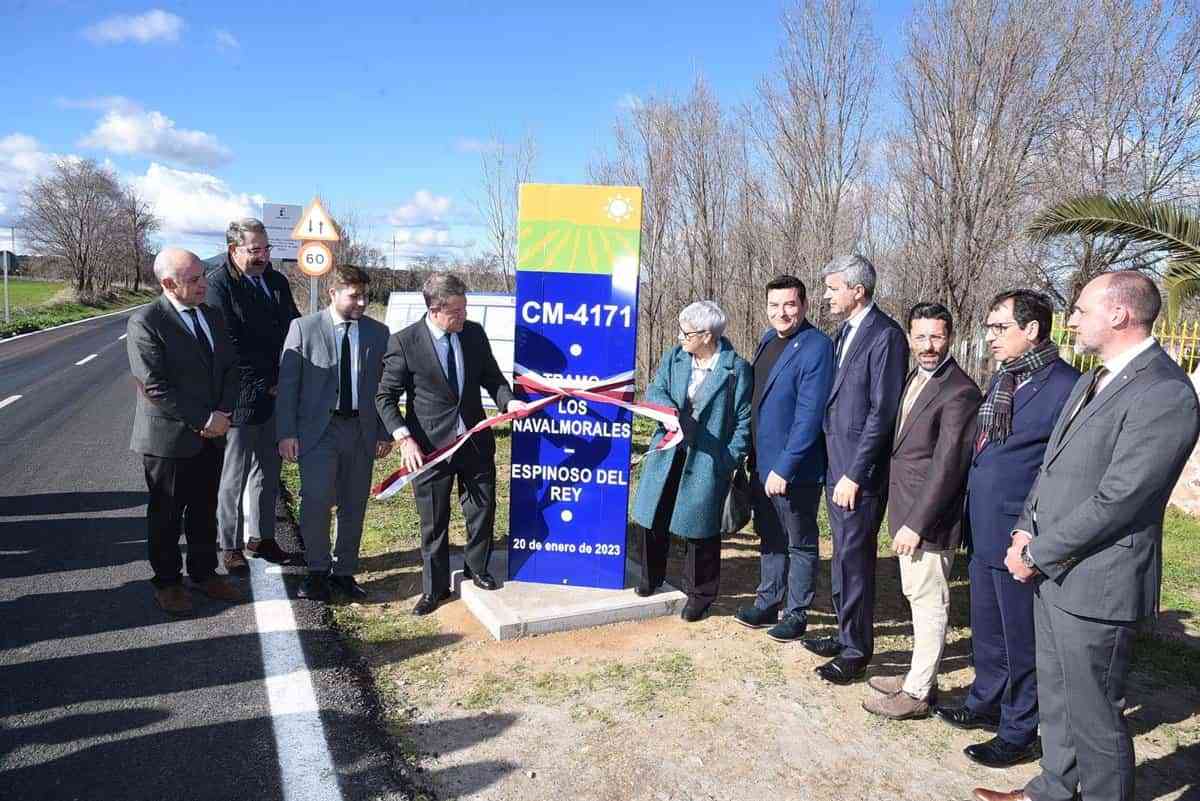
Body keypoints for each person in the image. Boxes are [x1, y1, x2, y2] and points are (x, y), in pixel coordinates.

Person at [974, 272, 1200, 801]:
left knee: (1095, 715)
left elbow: (1121, 498)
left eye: (1079, 310)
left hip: (1099, 582)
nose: (1070, 320)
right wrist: (1023, 529)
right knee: (1056, 701)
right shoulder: (1092, 378)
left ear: (1119, 314)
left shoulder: (1164, 392)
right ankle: (1052, 789)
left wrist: (1039, 551)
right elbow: (1050, 468)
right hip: (1054, 570)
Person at [935, 290, 1079, 768]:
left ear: (1031, 330)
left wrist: (1032, 532)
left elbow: (1058, 470)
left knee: (1021, 636)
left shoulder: (1065, 386)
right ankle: (985, 700)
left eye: (1000, 327)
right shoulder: (1005, 380)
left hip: (1021, 533)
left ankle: (1019, 729)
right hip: (983, 526)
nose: (990, 336)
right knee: (988, 628)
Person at [375, 273, 528, 615]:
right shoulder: (404, 342)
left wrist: (509, 403)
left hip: (474, 442)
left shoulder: (472, 333)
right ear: (434, 309)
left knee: (482, 510)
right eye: (456, 311)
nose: (464, 316)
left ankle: (477, 568)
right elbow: (385, 397)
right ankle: (435, 588)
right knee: (434, 520)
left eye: (465, 308)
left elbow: (492, 377)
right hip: (429, 450)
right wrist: (404, 438)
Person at [862, 303, 981, 719]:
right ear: (910, 337)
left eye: (936, 337)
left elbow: (948, 468)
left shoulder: (960, 391)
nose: (927, 346)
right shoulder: (917, 376)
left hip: (929, 520)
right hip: (906, 508)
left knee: (930, 602)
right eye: (920, 337)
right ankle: (918, 675)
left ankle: (917, 693)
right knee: (915, 596)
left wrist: (916, 523)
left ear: (950, 337)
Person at [804, 254, 909, 685]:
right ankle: (844, 630)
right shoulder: (843, 332)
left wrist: (856, 474)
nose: (826, 296)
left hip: (856, 473)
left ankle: (856, 650)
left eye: (833, 288)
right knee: (841, 557)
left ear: (857, 290)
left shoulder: (885, 337)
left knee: (855, 558)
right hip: (836, 463)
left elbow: (882, 413)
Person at [126, 248, 242, 615]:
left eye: (203, 276)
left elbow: (230, 367)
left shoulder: (212, 315)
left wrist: (222, 413)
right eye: (193, 280)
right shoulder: (147, 321)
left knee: (204, 508)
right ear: (168, 284)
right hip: (168, 440)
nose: (203, 284)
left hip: (214, 431)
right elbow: (154, 385)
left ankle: (205, 573)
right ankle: (167, 582)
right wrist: (204, 420)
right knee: (167, 513)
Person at [276, 265, 392, 602]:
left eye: (365, 296)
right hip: (318, 432)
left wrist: (384, 431)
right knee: (315, 501)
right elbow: (288, 387)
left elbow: (387, 387)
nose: (362, 302)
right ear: (332, 293)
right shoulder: (303, 329)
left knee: (353, 504)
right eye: (354, 296)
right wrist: (286, 433)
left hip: (361, 431)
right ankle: (316, 571)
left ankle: (344, 572)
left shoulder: (378, 333)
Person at [631, 301, 752, 621]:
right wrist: (671, 415)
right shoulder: (674, 357)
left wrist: (728, 458)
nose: (680, 336)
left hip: (707, 460)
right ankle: (650, 577)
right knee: (653, 516)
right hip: (668, 452)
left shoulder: (736, 370)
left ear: (708, 335)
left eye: (687, 332)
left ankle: (700, 595)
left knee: (701, 531)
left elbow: (743, 420)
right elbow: (655, 390)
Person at [733, 276, 835, 640]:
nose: (782, 312)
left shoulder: (816, 346)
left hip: (795, 470)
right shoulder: (766, 340)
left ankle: (796, 613)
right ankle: (768, 601)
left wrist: (785, 467)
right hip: (762, 463)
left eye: (790, 305)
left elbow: (809, 415)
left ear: (804, 305)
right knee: (770, 536)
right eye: (775, 305)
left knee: (799, 541)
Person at [205, 218, 301, 570]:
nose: (263, 256)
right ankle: (229, 545)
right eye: (255, 250)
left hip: (277, 395)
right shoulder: (219, 286)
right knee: (234, 474)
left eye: (266, 249)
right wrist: (264, 384)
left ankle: (262, 539)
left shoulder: (275, 280)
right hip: (241, 399)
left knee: (268, 470)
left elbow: (294, 327)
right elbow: (227, 346)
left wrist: (290, 378)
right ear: (234, 250)